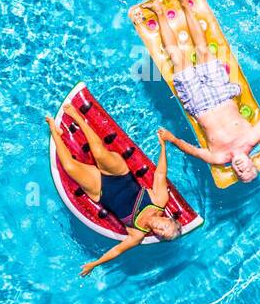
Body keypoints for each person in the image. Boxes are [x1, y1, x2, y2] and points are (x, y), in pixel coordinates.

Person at [143, 0, 260, 183]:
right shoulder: (253, 138)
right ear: (252, 162)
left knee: (177, 57)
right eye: (248, 170)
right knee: (203, 49)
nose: (242, 170)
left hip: (198, 104)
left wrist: (171, 139)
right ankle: (184, 4)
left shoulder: (217, 158)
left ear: (235, 172)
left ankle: (158, 10)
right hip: (222, 93)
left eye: (240, 175)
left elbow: (191, 150)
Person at [46, 102, 181, 277]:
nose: (159, 229)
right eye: (164, 226)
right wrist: (163, 146)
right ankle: (77, 117)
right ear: (167, 219)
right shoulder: (159, 201)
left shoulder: (137, 234)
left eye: (161, 234)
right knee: (99, 152)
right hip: (119, 174)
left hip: (100, 191)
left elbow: (117, 251)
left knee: (69, 167)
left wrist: (95, 264)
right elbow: (160, 174)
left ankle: (55, 131)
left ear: (158, 237)